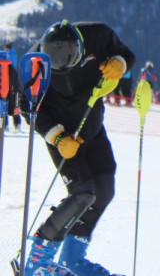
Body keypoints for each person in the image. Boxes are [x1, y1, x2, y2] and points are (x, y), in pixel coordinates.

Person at [21, 20, 134, 276]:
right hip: (63, 137)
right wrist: (58, 138)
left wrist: (120, 63)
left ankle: (73, 260)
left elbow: (127, 55)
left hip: (92, 127)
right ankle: (38, 259)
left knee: (104, 190)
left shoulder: (98, 35)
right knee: (82, 193)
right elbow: (29, 109)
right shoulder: (35, 64)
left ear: (81, 48)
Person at [4, 42, 21, 129]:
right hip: (12, 79)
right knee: (12, 103)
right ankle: (16, 124)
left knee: (4, 102)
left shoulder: (7, 55)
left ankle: (5, 124)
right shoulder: (13, 54)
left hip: (8, 78)